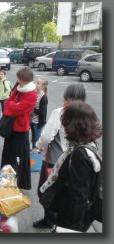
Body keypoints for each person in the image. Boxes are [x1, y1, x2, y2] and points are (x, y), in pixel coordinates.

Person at [40, 101, 102, 232]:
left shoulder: (79, 154)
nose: (63, 124)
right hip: (80, 213)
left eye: (65, 120)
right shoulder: (90, 144)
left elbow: (79, 195)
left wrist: (71, 228)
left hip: (72, 218)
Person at [33, 83, 87, 229]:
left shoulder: (60, 112)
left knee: (45, 191)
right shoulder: (86, 113)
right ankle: (59, 223)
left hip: (56, 160)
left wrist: (38, 146)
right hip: (78, 161)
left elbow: (46, 137)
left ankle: (51, 220)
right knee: (68, 194)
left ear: (67, 98)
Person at [0, 66, 37, 190]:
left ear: (24, 79)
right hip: (11, 129)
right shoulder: (18, 88)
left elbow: (16, 110)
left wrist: (12, 106)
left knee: (19, 159)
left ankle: (19, 183)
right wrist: (13, 105)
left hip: (21, 131)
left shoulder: (32, 94)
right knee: (8, 156)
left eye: (19, 79)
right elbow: (7, 104)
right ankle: (6, 181)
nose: (18, 81)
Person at [30, 77, 48, 151]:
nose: (36, 84)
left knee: (37, 138)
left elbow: (41, 112)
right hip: (33, 120)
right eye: (36, 82)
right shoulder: (35, 93)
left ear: (43, 86)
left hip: (38, 122)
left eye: (38, 83)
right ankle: (33, 146)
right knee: (34, 136)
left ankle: (36, 150)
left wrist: (32, 107)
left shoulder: (43, 97)